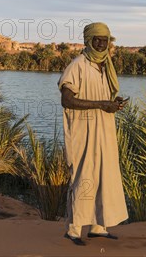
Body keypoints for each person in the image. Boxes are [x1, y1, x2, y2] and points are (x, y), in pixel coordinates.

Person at [57, 22, 129, 246]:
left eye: (104, 39)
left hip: (104, 129)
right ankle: (74, 230)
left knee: (104, 175)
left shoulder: (106, 66)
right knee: (84, 177)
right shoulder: (78, 64)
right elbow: (66, 100)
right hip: (83, 131)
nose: (100, 43)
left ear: (109, 42)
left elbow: (104, 96)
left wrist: (113, 103)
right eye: (96, 39)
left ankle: (99, 227)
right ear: (88, 41)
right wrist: (100, 104)